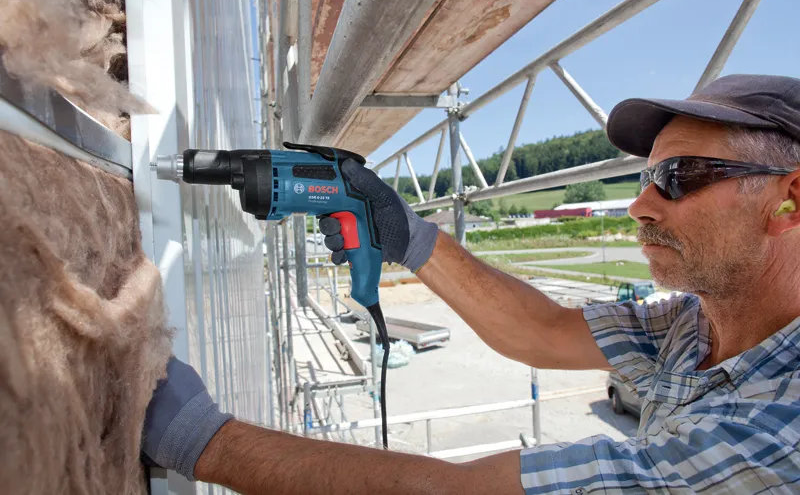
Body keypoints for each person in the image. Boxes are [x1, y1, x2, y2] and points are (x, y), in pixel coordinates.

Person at [142, 74, 800, 493]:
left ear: (790, 198)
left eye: (679, 176)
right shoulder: (689, 323)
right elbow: (540, 331)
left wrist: (206, 440)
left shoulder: (781, 434)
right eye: (643, 179)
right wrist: (405, 232)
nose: (640, 206)